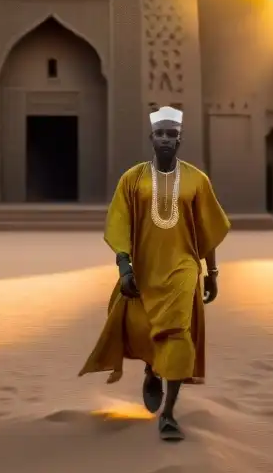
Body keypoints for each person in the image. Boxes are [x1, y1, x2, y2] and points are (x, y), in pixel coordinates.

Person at [79, 105, 232, 442]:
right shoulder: (132, 179)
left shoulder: (196, 180)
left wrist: (212, 272)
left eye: (172, 134)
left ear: (179, 140)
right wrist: (124, 265)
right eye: (160, 133)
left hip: (183, 266)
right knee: (144, 327)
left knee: (178, 332)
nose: (166, 139)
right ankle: (152, 370)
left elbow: (208, 230)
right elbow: (118, 222)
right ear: (151, 138)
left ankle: (169, 414)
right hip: (146, 266)